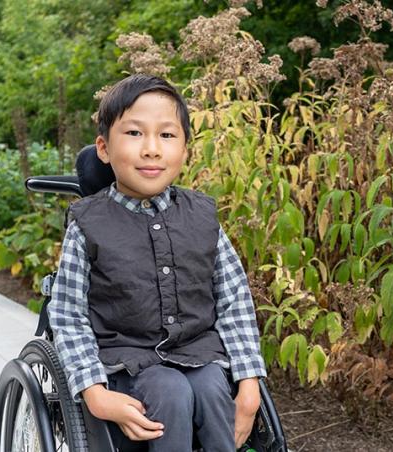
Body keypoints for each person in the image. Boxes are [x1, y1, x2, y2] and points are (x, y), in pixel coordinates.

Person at [48, 73, 267, 452]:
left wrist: (249, 386)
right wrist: (95, 393)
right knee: (170, 390)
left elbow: (234, 304)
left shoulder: (202, 217)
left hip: (198, 356)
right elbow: (68, 315)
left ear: (185, 150)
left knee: (213, 389)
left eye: (166, 135)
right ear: (103, 148)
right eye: (134, 133)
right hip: (123, 366)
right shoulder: (88, 225)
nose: (152, 149)